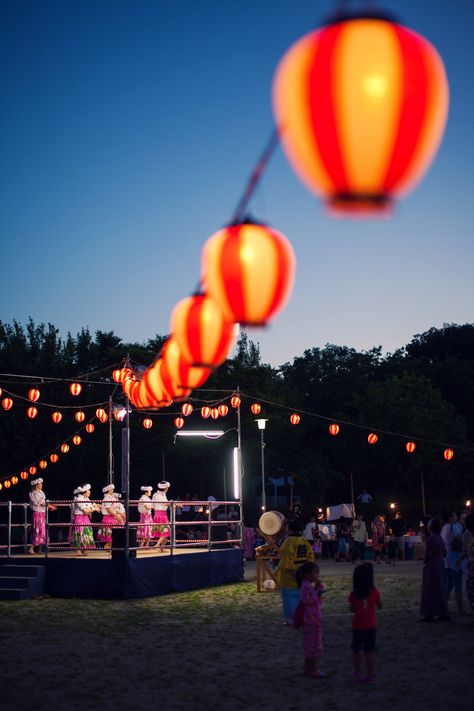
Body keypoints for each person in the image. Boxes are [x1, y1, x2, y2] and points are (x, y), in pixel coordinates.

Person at [274, 519, 314, 625]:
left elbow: (286, 557)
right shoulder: (304, 540)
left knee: (289, 600)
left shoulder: (288, 541)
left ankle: (292, 619)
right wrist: (309, 570)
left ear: (290, 529)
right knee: (302, 598)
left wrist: (292, 570)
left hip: (290, 575)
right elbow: (310, 556)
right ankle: (303, 617)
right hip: (303, 573)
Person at [349, 563, 382, 684]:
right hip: (371, 626)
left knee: (356, 650)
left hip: (358, 626)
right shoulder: (374, 592)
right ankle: (370, 675)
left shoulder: (354, 595)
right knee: (369, 652)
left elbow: (352, 609)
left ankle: (357, 672)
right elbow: (379, 605)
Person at [295, 562, 326, 678]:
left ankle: (307, 669)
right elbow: (311, 600)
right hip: (311, 620)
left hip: (310, 619)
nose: (317, 575)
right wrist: (318, 591)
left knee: (309, 645)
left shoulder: (306, 585)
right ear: (307, 575)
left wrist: (318, 589)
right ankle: (313, 670)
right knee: (313, 646)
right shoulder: (306, 586)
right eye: (315, 573)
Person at [420, 517, 450, 621]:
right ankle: (443, 613)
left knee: (430, 590)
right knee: (440, 589)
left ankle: (430, 613)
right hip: (440, 565)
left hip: (432, 566)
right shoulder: (439, 537)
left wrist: (426, 561)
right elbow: (445, 553)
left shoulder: (431, 538)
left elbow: (428, 554)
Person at [441, 509, 466, 615]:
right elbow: (462, 539)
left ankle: (444, 607)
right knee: (457, 584)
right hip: (455, 558)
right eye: (455, 515)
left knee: (449, 584)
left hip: (446, 559)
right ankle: (460, 609)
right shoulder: (454, 527)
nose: (456, 517)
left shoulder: (444, 528)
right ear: (450, 518)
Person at [28, 478, 57, 554]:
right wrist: (50, 506)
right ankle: (31, 548)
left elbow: (44, 503)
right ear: (37, 485)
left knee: (43, 532)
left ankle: (40, 549)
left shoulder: (41, 492)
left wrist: (50, 506)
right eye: (40, 483)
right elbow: (41, 503)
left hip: (42, 513)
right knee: (38, 531)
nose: (42, 485)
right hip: (37, 514)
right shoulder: (34, 493)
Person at [71, 484, 99, 556]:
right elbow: (86, 510)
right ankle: (78, 549)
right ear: (85, 491)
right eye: (88, 490)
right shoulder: (79, 499)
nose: (90, 492)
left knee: (87, 532)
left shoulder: (87, 499)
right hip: (79, 518)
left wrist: (93, 508)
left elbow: (89, 509)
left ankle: (84, 548)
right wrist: (94, 508)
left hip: (85, 518)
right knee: (80, 532)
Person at [97, 484, 122, 550]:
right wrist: (116, 515)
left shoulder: (112, 497)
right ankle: (106, 547)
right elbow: (109, 509)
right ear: (108, 490)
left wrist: (120, 514)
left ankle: (109, 548)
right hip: (109, 518)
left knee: (115, 535)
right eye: (111, 489)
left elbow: (115, 508)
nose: (113, 490)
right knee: (110, 536)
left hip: (114, 517)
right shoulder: (106, 498)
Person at [152, 481, 171, 552]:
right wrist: (174, 504)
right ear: (166, 488)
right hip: (161, 514)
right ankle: (157, 545)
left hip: (157, 514)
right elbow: (165, 503)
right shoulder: (161, 495)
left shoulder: (155, 494)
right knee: (165, 531)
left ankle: (162, 548)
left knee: (166, 533)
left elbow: (153, 506)